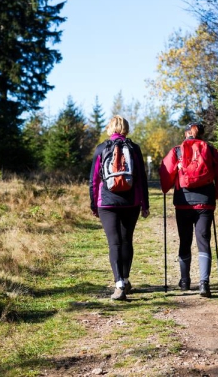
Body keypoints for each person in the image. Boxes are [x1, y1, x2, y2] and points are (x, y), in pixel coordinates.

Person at [159, 122, 218, 297]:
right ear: (202, 135)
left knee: (185, 240)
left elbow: (165, 174)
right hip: (205, 203)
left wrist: (165, 187)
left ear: (186, 134)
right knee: (203, 241)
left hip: (183, 202)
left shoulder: (177, 151)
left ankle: (185, 282)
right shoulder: (212, 151)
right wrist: (217, 194)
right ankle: (204, 284)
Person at [89, 115, 150, 301]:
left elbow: (93, 180)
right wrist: (144, 204)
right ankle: (126, 279)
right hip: (131, 202)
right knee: (126, 241)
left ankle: (119, 284)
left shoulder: (101, 148)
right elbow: (141, 179)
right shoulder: (134, 149)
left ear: (110, 129)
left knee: (114, 243)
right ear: (126, 129)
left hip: (107, 203)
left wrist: (94, 204)